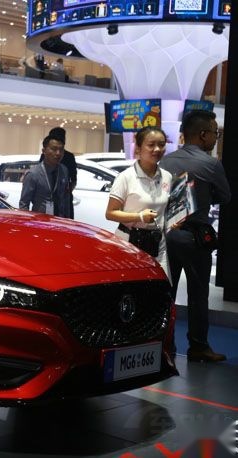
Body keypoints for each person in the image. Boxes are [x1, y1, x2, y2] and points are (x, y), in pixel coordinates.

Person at [159, 110, 231, 362]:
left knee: (165, 295)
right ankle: (198, 347)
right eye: (214, 132)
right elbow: (225, 197)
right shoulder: (211, 164)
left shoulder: (165, 161)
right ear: (202, 134)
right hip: (195, 238)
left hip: (167, 236)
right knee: (198, 294)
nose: (215, 137)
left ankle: (163, 346)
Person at [105, 126, 173, 280]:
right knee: (132, 286)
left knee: (160, 285)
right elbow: (110, 213)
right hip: (129, 242)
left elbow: (164, 210)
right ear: (138, 148)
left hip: (158, 244)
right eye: (151, 145)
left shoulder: (167, 177)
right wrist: (140, 216)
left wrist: (173, 221)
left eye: (161, 145)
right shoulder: (126, 177)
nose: (157, 149)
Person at [19, 135, 71, 217]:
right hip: (40, 220)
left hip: (60, 220)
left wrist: (68, 220)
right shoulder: (33, 174)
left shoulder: (64, 170)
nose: (58, 153)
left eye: (61, 150)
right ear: (44, 151)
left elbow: (66, 199)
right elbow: (24, 204)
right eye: (54, 149)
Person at [43, 127, 78, 218]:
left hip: (63, 199)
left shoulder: (68, 157)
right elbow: (74, 180)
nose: (57, 154)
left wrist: (65, 193)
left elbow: (73, 180)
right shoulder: (46, 155)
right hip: (47, 199)